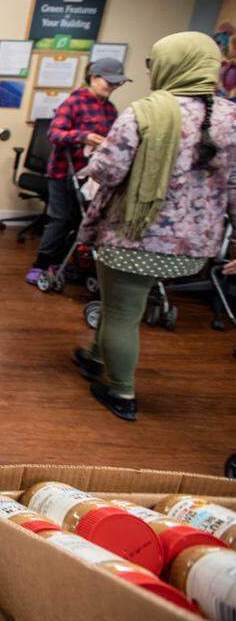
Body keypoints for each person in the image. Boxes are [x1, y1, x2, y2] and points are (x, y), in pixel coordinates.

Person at [72, 32, 236, 421]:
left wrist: (90, 162)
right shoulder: (232, 117)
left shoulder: (144, 112)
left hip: (134, 233)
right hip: (194, 246)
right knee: (128, 304)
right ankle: (95, 355)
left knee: (121, 311)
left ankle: (122, 392)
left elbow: (109, 172)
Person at [26, 58, 128, 286]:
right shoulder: (74, 103)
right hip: (64, 173)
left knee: (79, 221)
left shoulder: (111, 110)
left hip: (91, 177)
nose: (111, 87)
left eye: (116, 84)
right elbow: (54, 134)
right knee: (60, 219)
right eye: (108, 81)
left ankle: (61, 263)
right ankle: (41, 264)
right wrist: (83, 136)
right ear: (93, 77)